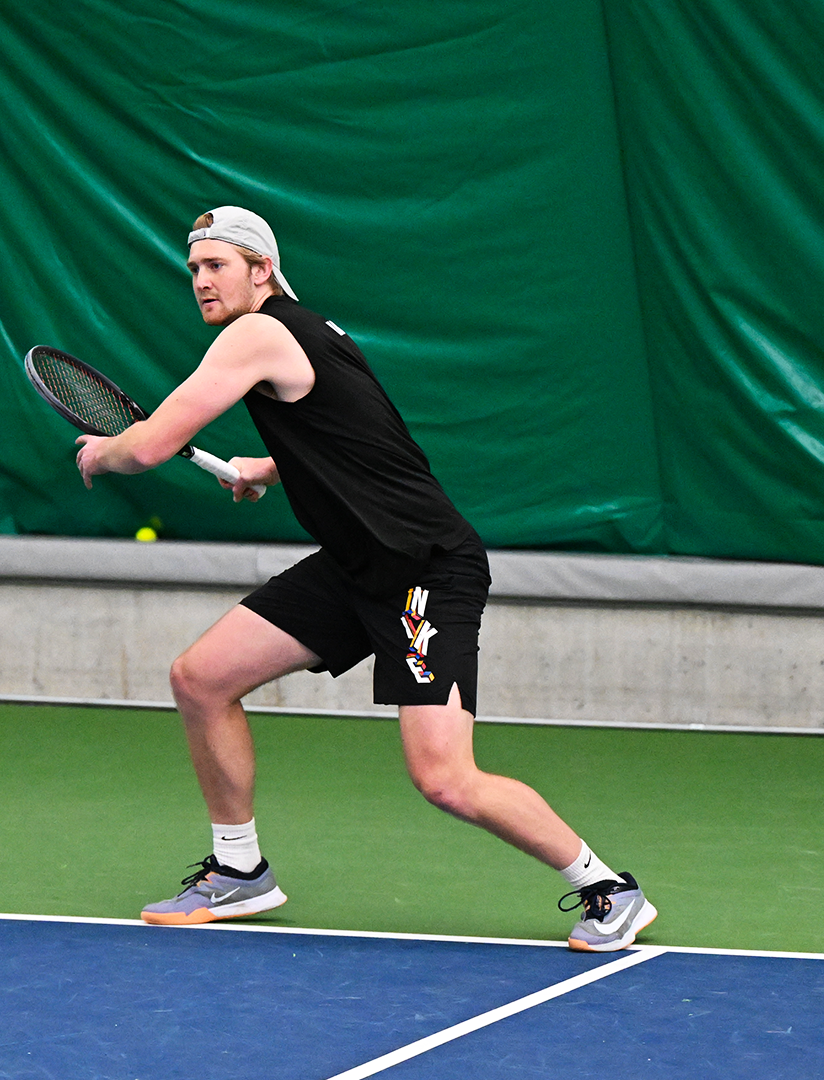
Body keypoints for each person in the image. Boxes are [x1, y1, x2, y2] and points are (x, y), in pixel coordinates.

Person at [73, 206, 656, 951]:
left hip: (421, 574)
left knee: (445, 778)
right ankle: (238, 869)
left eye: (216, 265)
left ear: (262, 270)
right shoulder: (315, 334)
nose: (200, 281)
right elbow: (362, 444)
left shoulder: (256, 332)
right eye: (193, 269)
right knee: (202, 678)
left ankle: (608, 888)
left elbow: (153, 444)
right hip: (354, 564)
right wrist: (268, 467)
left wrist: (104, 454)